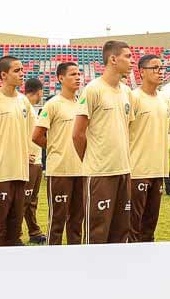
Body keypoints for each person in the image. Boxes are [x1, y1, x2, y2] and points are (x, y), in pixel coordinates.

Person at [73, 41, 134, 244]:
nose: (131, 60)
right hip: (100, 173)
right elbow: (77, 134)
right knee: (97, 233)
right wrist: (91, 160)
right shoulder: (93, 90)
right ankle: (92, 273)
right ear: (113, 59)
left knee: (121, 232)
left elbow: (127, 130)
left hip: (123, 171)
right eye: (127, 56)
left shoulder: (127, 92)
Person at [0, 56, 34, 247]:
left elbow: (28, 133)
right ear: (4, 75)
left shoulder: (24, 101)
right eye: (17, 70)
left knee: (14, 229)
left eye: (22, 69)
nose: (22, 74)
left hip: (20, 172)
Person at [34, 62, 85, 245]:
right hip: (60, 171)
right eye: (73, 74)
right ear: (61, 78)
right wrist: (54, 147)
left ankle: (75, 258)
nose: (78, 77)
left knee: (77, 222)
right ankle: (52, 257)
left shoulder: (83, 104)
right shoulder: (52, 104)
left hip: (81, 171)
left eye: (79, 74)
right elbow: (36, 136)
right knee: (57, 221)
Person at [128, 54, 170, 242]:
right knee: (133, 225)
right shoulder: (133, 98)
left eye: (161, 68)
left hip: (159, 170)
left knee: (150, 225)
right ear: (141, 72)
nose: (159, 72)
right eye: (155, 68)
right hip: (137, 170)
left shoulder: (165, 100)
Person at [22, 77, 47, 245]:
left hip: (36, 160)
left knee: (31, 199)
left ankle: (34, 230)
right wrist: (23, 153)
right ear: (39, 91)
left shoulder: (29, 108)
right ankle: (15, 232)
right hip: (29, 161)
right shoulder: (23, 106)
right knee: (24, 199)